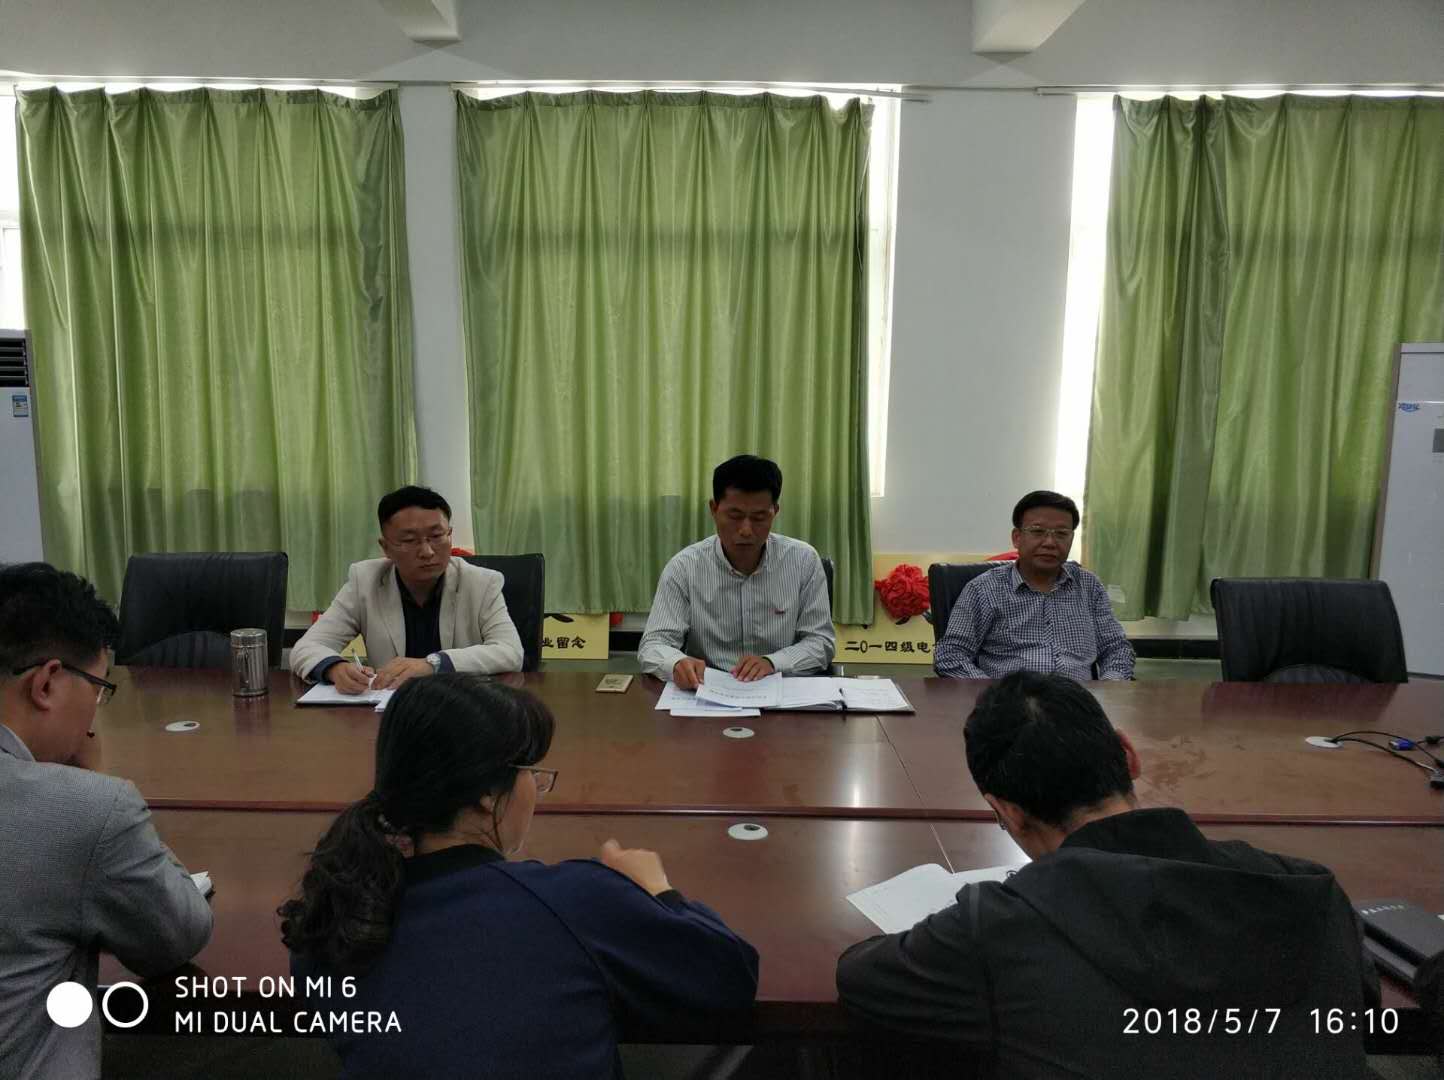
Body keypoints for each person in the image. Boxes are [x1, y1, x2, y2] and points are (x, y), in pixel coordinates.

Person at [836, 672, 1379, 1079]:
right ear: (1128, 754)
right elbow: (1363, 1007)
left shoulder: (1000, 925)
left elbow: (859, 977)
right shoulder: (1310, 888)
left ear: (1007, 812)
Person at [280, 675, 759, 1078]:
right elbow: (730, 979)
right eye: (529, 769)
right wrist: (658, 891)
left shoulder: (334, 915)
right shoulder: (574, 902)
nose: (536, 785)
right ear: (488, 793)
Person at [0, 563, 213, 1079]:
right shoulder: (89, 809)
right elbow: (177, 935)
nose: (96, 710)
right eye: (98, 687)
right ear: (47, 683)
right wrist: (94, 786)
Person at [290, 485, 524, 692]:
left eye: (436, 536)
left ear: (450, 535)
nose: (427, 552)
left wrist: (433, 664)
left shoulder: (481, 583)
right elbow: (307, 647)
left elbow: (510, 652)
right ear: (385, 547)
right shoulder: (365, 581)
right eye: (410, 541)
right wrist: (334, 668)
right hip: (391, 710)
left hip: (462, 707)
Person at [638, 455, 835, 687]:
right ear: (714, 509)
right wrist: (676, 663)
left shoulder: (803, 561)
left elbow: (820, 642)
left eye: (759, 517)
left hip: (780, 688)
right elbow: (653, 644)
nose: (746, 530)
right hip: (707, 690)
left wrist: (773, 662)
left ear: (775, 511)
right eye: (735, 516)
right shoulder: (684, 567)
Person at [934, 490, 1134, 680]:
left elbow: (1116, 649)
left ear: (1071, 538)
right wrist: (994, 695)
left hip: (1080, 698)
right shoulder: (984, 589)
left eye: (1061, 534)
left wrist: (1110, 687)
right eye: (1037, 532)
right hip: (1011, 699)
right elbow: (951, 655)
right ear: (1017, 538)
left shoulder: (1089, 586)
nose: (1050, 543)